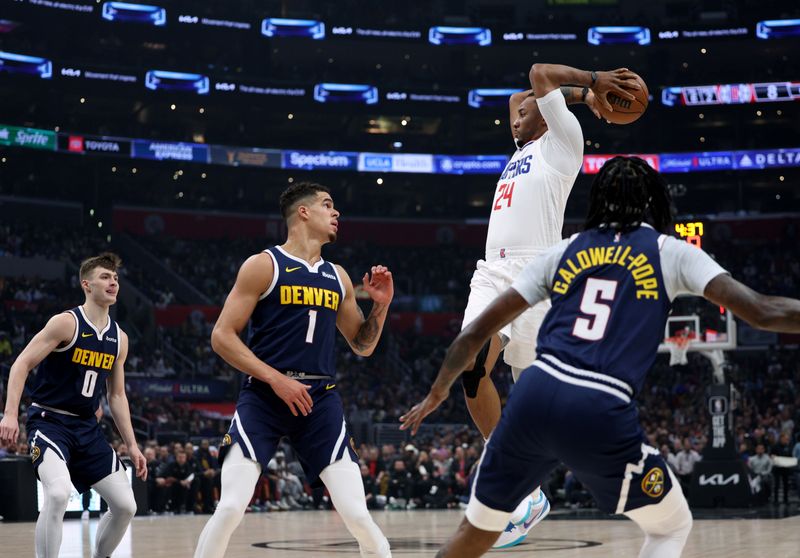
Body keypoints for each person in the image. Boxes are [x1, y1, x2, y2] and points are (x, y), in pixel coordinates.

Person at [400, 156, 800, 558]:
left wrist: (438, 392)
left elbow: (472, 336)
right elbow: (764, 311)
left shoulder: (565, 250)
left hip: (532, 396)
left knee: (472, 539)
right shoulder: (671, 252)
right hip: (597, 402)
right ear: (652, 201)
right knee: (671, 526)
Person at [458, 62, 641, 547]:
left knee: (546, 402)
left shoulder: (563, 142)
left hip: (536, 274)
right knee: (471, 369)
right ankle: (520, 490)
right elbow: (523, 94)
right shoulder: (523, 144)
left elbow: (540, 73)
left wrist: (591, 84)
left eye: (527, 111)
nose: (515, 116)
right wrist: (583, 93)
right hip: (491, 272)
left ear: (548, 110)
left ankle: (624, 466)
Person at [194, 182, 394, 558]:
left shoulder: (338, 276)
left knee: (357, 514)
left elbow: (362, 345)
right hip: (264, 395)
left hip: (320, 400)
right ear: (303, 212)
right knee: (232, 505)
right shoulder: (263, 265)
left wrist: (381, 306)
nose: (336, 214)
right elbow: (221, 336)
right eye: (328, 205)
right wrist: (276, 379)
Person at [0, 252, 147, 558]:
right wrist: (10, 415)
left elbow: (116, 396)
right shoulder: (66, 323)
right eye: (105, 277)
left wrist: (132, 445)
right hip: (49, 420)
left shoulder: (120, 338)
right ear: (86, 284)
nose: (113, 282)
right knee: (56, 493)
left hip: (87, 428)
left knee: (125, 506)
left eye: (116, 278)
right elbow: (21, 364)